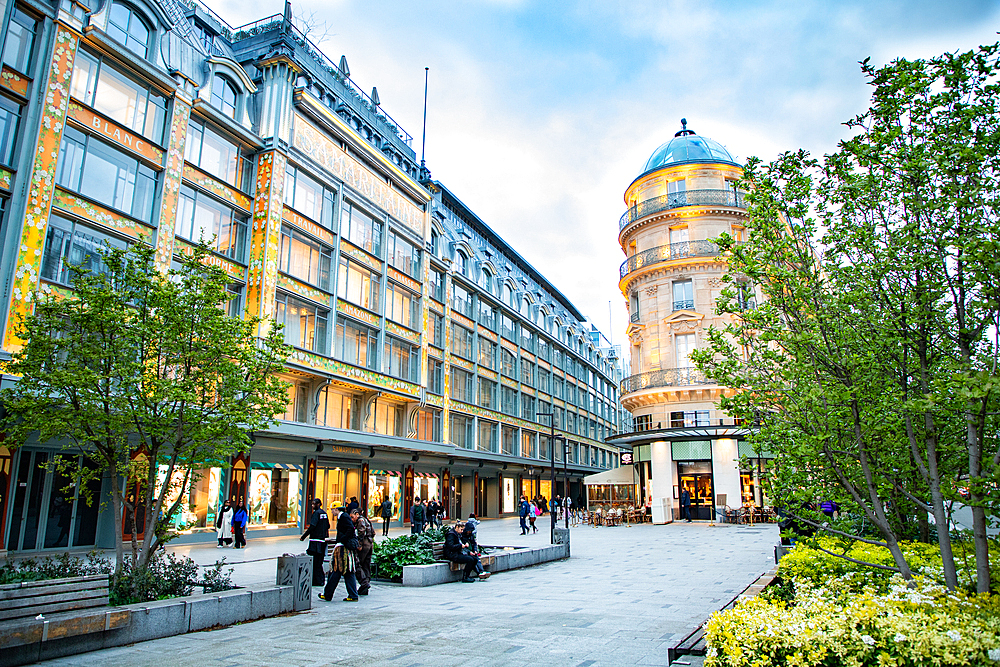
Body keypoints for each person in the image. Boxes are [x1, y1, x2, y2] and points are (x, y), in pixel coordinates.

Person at [319, 506, 360, 602]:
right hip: (344, 546)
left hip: (343, 548)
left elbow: (350, 529)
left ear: (336, 509)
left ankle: (328, 594)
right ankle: (352, 595)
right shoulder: (342, 516)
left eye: (332, 509)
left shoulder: (343, 516)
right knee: (347, 571)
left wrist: (343, 539)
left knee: (336, 570)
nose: (332, 511)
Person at [300, 498, 330, 586]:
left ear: (318, 504)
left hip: (315, 541)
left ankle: (316, 580)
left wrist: (304, 536)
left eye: (314, 504)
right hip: (323, 540)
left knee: (315, 562)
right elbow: (328, 525)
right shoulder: (324, 513)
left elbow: (312, 526)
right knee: (319, 562)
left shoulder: (316, 514)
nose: (312, 506)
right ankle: (320, 579)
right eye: (312, 504)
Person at [352, 509, 375, 595]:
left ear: (357, 514)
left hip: (365, 543)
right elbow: (373, 532)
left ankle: (364, 583)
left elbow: (361, 531)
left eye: (352, 516)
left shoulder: (361, 520)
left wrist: (359, 544)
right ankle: (366, 584)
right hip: (369, 542)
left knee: (358, 563)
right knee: (366, 564)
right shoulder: (366, 519)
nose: (352, 519)